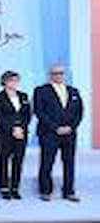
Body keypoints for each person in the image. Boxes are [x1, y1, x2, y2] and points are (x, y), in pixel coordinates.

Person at [34, 64, 83, 202]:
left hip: (69, 133)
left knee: (69, 163)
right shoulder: (41, 91)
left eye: (61, 73)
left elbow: (79, 112)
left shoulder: (73, 91)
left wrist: (71, 127)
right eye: (55, 73)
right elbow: (40, 112)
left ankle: (69, 191)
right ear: (50, 75)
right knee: (47, 162)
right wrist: (56, 128)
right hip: (49, 133)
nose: (58, 75)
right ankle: (45, 191)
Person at [0, 71, 31, 200]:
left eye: (16, 80)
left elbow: (27, 115)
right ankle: (4, 188)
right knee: (4, 160)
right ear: (4, 82)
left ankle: (15, 188)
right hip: (4, 133)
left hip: (21, 133)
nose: (14, 83)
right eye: (11, 80)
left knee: (18, 160)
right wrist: (13, 128)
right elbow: (0, 116)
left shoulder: (23, 96)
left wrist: (20, 128)